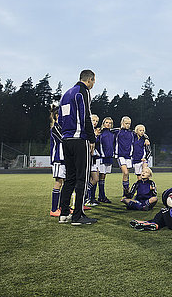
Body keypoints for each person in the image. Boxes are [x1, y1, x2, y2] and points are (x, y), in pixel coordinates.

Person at [57, 69, 97, 226]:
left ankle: (64, 213)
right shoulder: (83, 91)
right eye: (93, 81)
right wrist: (92, 138)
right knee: (82, 178)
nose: (93, 84)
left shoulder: (66, 94)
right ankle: (78, 216)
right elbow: (86, 115)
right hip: (80, 140)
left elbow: (60, 119)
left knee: (70, 178)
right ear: (89, 80)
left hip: (66, 140)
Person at [96, 116, 117, 203]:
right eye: (106, 122)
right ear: (103, 123)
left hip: (109, 157)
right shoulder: (100, 133)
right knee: (97, 177)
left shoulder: (113, 133)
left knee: (103, 177)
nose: (108, 124)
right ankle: (92, 197)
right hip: (101, 157)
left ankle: (101, 196)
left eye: (110, 123)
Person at [49, 105, 65, 217]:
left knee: (66, 183)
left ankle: (63, 207)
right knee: (59, 182)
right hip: (58, 159)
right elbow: (64, 140)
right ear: (57, 116)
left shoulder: (64, 127)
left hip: (66, 159)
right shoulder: (55, 128)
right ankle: (54, 209)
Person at [116, 116, 135, 197]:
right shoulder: (117, 132)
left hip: (128, 156)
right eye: (126, 123)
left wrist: (146, 139)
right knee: (125, 172)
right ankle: (126, 192)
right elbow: (106, 130)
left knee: (127, 175)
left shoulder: (132, 133)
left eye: (129, 123)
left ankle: (125, 193)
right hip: (120, 155)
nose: (128, 125)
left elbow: (142, 134)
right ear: (122, 123)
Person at [84, 114, 101, 208]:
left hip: (94, 158)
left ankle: (87, 198)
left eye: (96, 121)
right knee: (93, 179)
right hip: (88, 158)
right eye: (93, 120)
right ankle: (85, 197)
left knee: (95, 179)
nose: (95, 123)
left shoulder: (97, 132)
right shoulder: (86, 130)